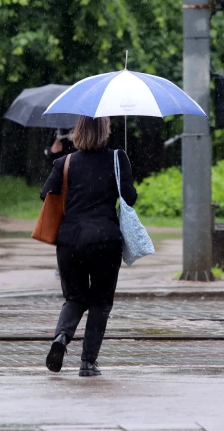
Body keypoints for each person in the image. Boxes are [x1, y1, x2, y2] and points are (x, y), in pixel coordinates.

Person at [40, 116, 137, 376]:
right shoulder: (117, 158)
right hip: (104, 239)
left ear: (77, 132)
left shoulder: (65, 162)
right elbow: (130, 198)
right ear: (105, 130)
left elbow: (45, 194)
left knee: (74, 297)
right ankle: (87, 363)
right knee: (100, 302)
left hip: (69, 240)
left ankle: (61, 337)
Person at [44, 128, 76, 279]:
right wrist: (53, 150)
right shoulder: (55, 131)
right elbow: (48, 156)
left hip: (76, 183)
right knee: (64, 227)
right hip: (62, 185)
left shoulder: (82, 128)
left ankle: (69, 264)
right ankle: (63, 264)